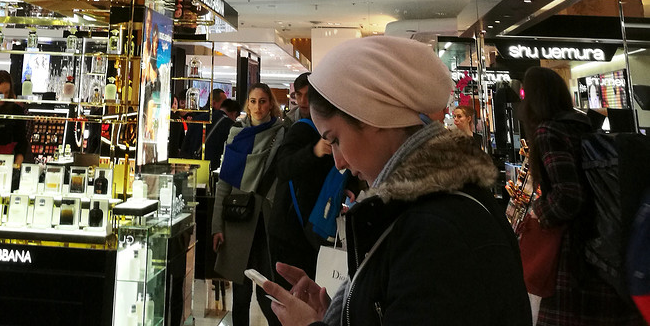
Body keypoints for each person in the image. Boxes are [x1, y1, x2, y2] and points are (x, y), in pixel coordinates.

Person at [263, 36, 531, 326]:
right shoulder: (429, 208)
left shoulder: (436, 231)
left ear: (373, 116)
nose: (338, 161)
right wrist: (338, 313)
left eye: (335, 140)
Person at [520, 66, 642, 326]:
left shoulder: (547, 131)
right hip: (598, 244)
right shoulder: (580, 124)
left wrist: (539, 213)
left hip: (573, 251)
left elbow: (569, 196)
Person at [211, 83, 285, 326]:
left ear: (271, 104)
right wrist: (216, 226)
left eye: (263, 101)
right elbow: (224, 183)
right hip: (239, 218)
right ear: (247, 104)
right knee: (240, 296)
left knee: (268, 293)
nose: (257, 107)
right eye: (253, 101)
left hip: (266, 220)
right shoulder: (236, 134)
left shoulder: (281, 133)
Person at [270, 73, 350, 283]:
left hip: (315, 223)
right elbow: (283, 168)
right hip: (293, 227)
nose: (303, 101)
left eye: (309, 95)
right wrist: (313, 152)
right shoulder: (299, 128)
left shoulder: (327, 126)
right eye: (299, 95)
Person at [204, 97, 239, 170]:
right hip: (210, 166)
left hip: (188, 163)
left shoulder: (201, 117)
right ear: (234, 113)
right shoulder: (230, 125)